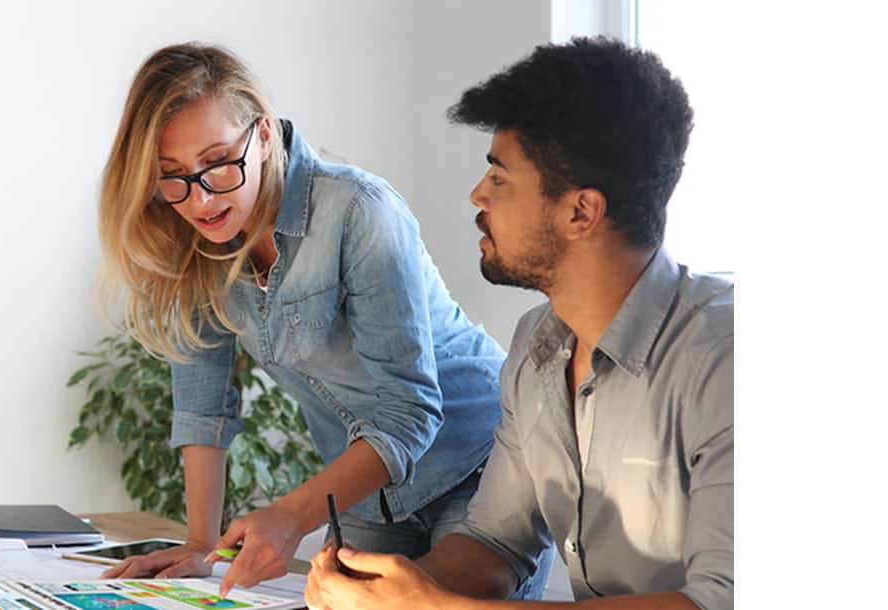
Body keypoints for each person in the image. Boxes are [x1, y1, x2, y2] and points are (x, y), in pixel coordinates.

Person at [93, 42, 553, 599]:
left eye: (217, 163)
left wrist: (290, 515)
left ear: (263, 135)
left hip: (477, 469)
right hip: (364, 497)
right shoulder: (193, 246)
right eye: (173, 176)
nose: (200, 197)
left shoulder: (357, 210)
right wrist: (198, 545)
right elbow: (202, 408)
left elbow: (409, 410)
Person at [304, 37, 733, 609]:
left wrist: (434, 606)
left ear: (581, 211)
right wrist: (388, 590)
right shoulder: (537, 347)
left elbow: (718, 602)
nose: (478, 195)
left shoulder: (724, 356)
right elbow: (493, 544)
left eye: (500, 180)